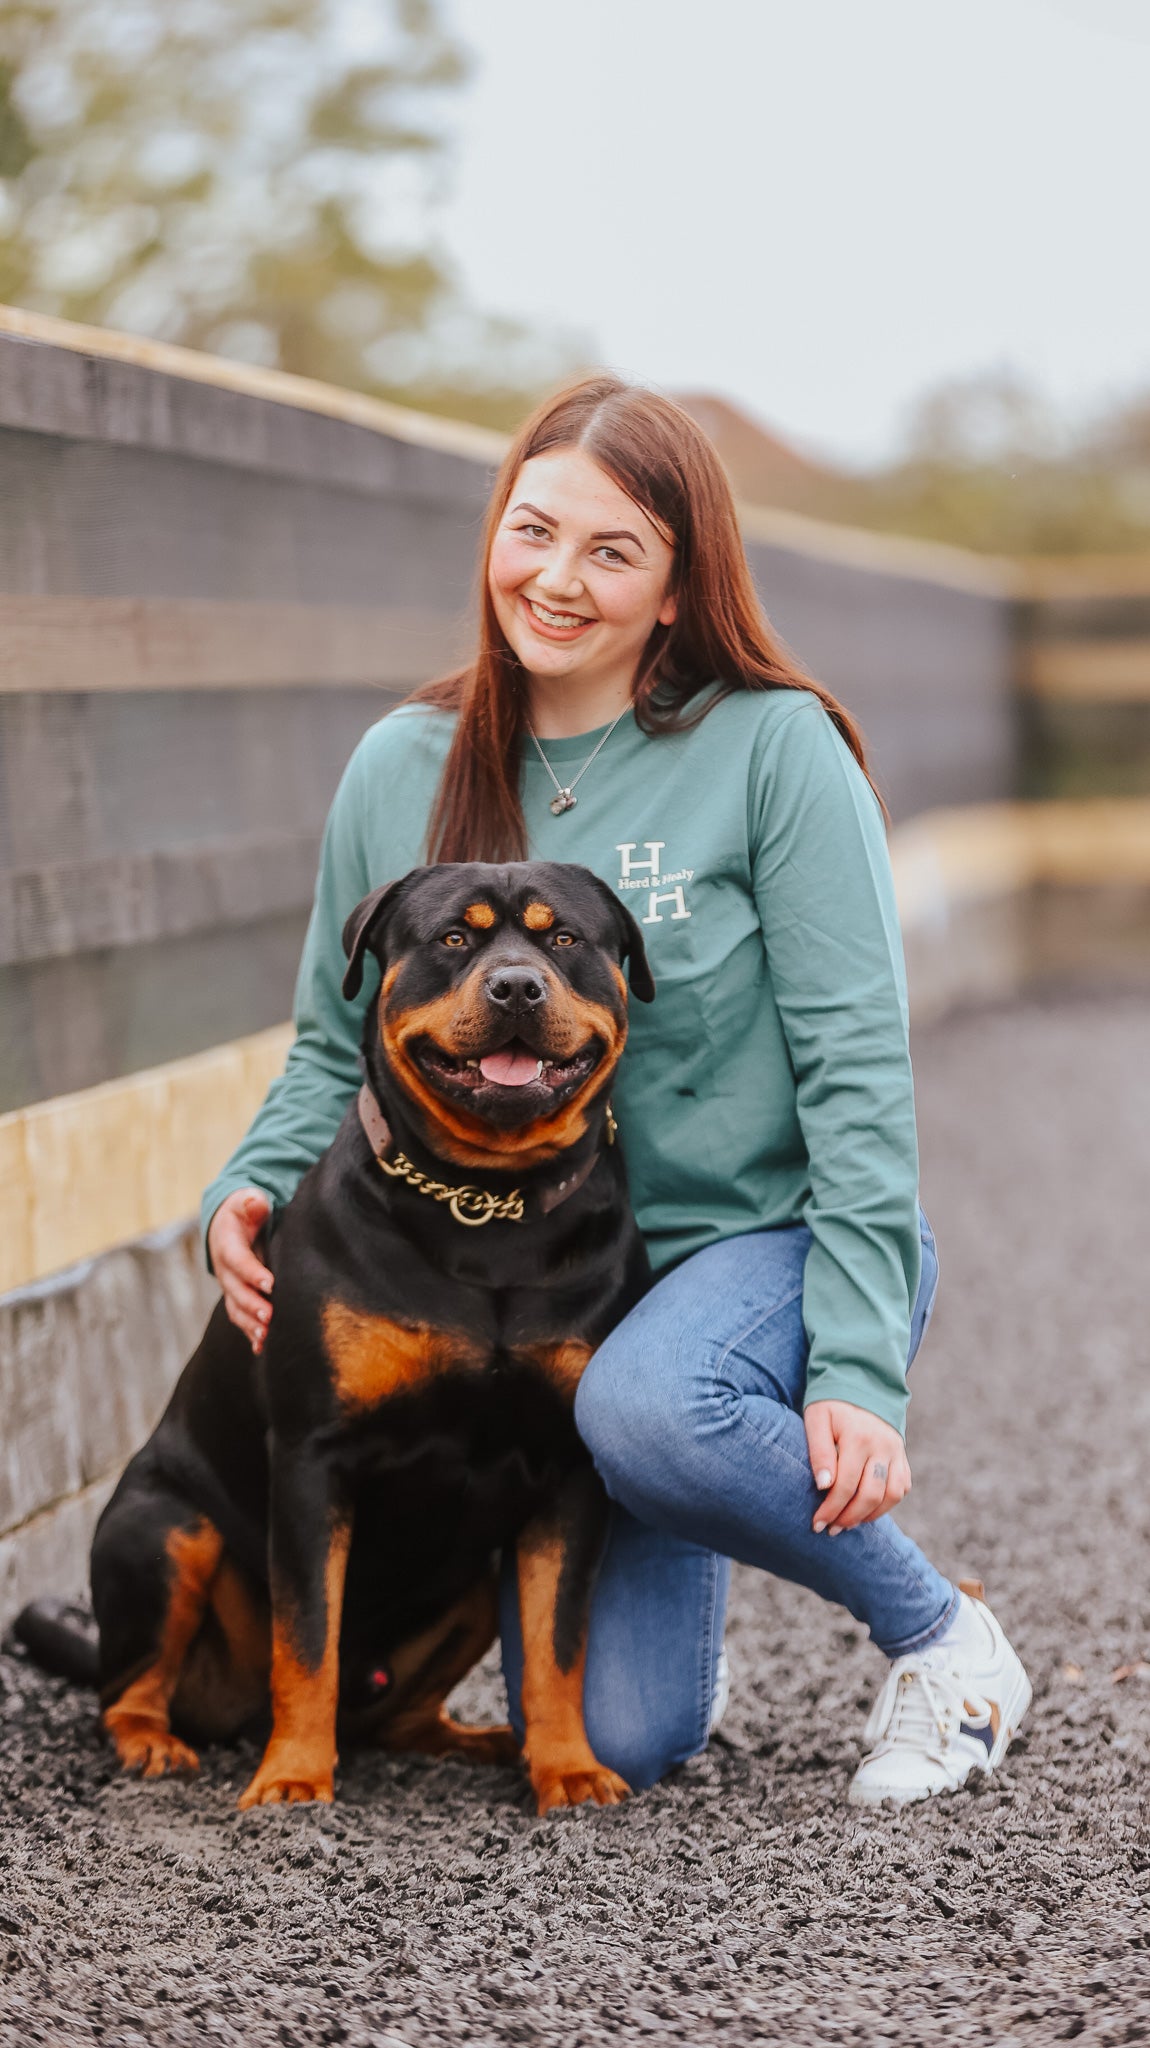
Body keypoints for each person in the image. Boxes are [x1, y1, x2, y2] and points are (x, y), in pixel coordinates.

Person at [203, 375, 1031, 1806]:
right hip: (552, 1282)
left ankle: (941, 1638)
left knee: (648, 1412)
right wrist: (249, 1184)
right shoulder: (402, 763)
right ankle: (674, 1499)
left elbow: (854, 1065)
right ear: (491, 537)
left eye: (611, 552)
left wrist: (849, 1357)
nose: (557, 579)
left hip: (749, 1249)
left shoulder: (773, 748)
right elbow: (332, 1042)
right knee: (629, 1739)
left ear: (674, 587)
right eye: (533, 533)